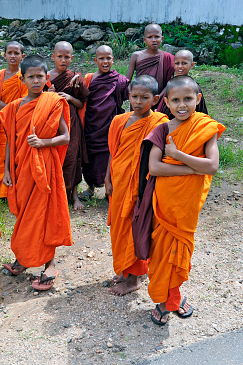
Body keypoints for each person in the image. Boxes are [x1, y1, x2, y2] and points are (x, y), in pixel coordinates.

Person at [146, 75, 225, 325]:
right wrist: (191, 169)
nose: (182, 105)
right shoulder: (162, 129)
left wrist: (178, 154)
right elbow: (155, 167)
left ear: (198, 99)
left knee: (180, 253)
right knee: (161, 253)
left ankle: (174, 297)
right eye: (176, 100)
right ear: (166, 103)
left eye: (188, 99)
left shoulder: (205, 127)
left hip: (186, 205)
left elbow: (211, 166)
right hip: (164, 204)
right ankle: (163, 302)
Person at [0, 55, 72, 291]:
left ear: (47, 78)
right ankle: (23, 258)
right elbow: (10, 140)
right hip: (21, 169)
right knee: (25, 215)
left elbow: (66, 136)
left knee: (44, 214)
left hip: (44, 170)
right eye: (31, 76)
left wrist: (43, 142)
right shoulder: (14, 107)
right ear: (22, 79)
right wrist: (7, 170)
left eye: (40, 76)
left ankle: (49, 264)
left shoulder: (53, 101)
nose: (36, 80)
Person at [105, 75, 168, 296]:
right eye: (134, 96)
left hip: (142, 186)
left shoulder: (160, 123)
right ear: (128, 96)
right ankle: (125, 268)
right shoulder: (119, 121)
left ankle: (134, 279)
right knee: (120, 227)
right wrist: (107, 178)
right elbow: (113, 153)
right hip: (120, 182)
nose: (138, 102)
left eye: (145, 97)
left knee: (137, 228)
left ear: (156, 98)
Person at [82, 45, 129, 199]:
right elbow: (84, 98)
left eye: (108, 58)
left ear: (113, 60)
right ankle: (90, 188)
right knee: (90, 156)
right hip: (91, 123)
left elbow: (130, 96)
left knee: (110, 155)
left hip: (110, 124)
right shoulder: (89, 78)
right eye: (101, 58)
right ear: (95, 60)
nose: (105, 62)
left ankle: (111, 189)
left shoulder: (120, 80)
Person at [47, 41, 90, 210]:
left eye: (67, 57)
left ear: (72, 58)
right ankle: (54, 193)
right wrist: (48, 95)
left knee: (73, 156)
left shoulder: (76, 77)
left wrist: (71, 98)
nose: (63, 60)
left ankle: (74, 195)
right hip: (51, 122)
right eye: (59, 57)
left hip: (72, 122)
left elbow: (82, 103)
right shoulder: (46, 77)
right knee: (54, 156)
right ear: (53, 57)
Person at [0, 41, 28, 199]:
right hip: (0, 121)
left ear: (22, 56)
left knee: (13, 155)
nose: (13, 56)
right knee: (1, 156)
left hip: (17, 122)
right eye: (10, 53)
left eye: (16, 53)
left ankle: (11, 190)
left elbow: (27, 102)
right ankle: (0, 191)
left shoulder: (24, 77)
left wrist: (6, 106)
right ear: (4, 55)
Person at [126, 23, 174, 104]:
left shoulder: (168, 58)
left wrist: (157, 98)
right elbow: (126, 81)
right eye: (150, 37)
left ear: (162, 38)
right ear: (144, 40)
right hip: (139, 100)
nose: (154, 40)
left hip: (159, 100)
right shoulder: (136, 56)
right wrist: (133, 96)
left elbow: (170, 83)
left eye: (157, 37)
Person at [157, 49, 209, 116]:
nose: (180, 66)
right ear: (173, 64)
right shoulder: (172, 83)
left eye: (184, 63)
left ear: (192, 65)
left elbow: (200, 110)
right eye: (177, 63)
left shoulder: (193, 86)